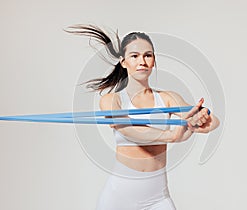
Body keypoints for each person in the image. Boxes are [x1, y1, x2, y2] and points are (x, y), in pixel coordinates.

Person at [65, 24, 220, 210]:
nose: (142, 61)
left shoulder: (167, 98)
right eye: (134, 56)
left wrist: (200, 120)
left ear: (154, 60)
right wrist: (172, 136)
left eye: (148, 55)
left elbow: (213, 122)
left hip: (158, 199)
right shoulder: (112, 100)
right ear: (123, 62)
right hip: (118, 199)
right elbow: (130, 131)